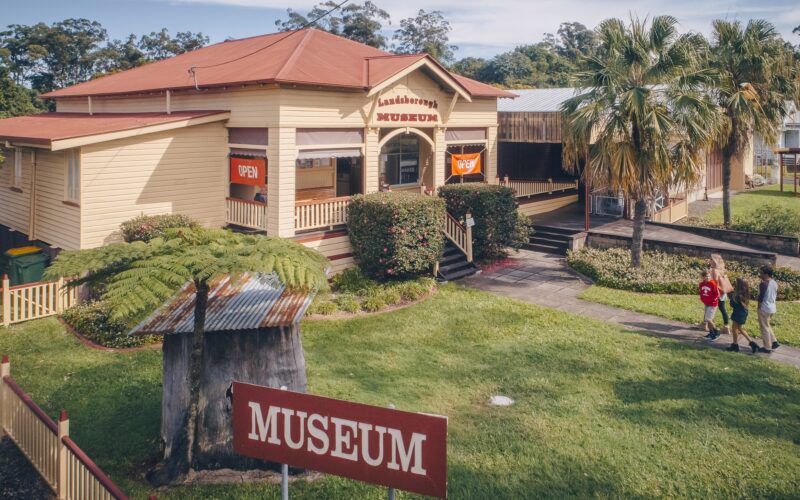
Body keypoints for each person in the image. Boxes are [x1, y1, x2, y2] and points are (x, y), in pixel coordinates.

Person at [726, 278, 760, 354]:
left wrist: (731, 297)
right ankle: (752, 344)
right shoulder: (745, 292)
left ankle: (735, 345)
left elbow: (733, 304)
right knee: (740, 328)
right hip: (743, 312)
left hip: (738, 313)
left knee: (734, 328)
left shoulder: (737, 295)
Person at [708, 254, 733, 339]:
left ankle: (708, 325)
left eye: (711, 259)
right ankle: (726, 327)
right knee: (722, 308)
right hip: (722, 292)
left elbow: (714, 283)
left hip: (716, 293)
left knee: (710, 309)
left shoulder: (714, 270)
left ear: (714, 261)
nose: (709, 260)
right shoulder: (721, 269)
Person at [757, 265, 779, 353]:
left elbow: (761, 297)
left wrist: (758, 307)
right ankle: (774, 342)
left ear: (766, 274)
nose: (760, 274)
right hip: (772, 307)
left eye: (761, 273)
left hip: (764, 308)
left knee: (764, 327)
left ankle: (767, 347)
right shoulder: (774, 282)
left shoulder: (763, 284)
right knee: (767, 325)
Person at [698, 270, 721, 340]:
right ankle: (711, 333)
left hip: (712, 304)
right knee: (707, 319)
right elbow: (702, 292)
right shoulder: (701, 284)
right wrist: (702, 298)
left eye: (709, 276)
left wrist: (713, 300)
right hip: (706, 303)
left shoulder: (712, 283)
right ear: (703, 277)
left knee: (708, 319)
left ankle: (716, 332)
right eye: (706, 277)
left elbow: (717, 294)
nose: (707, 278)